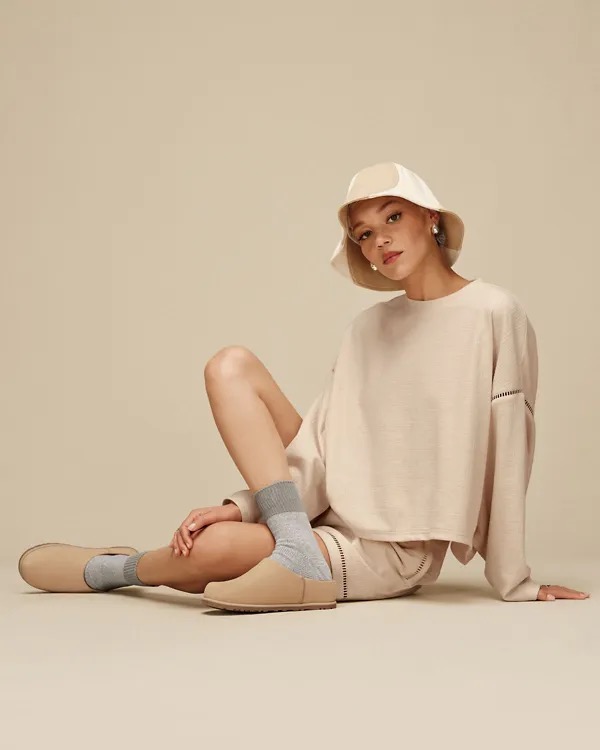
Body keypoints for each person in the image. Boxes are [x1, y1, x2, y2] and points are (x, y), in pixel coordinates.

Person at [18, 161, 590, 613]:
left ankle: (115, 569)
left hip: (394, 550)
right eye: (364, 233)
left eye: (393, 217)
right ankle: (292, 542)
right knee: (230, 365)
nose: (380, 241)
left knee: (212, 552)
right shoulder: (368, 328)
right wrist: (243, 508)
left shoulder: (493, 312)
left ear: (430, 219)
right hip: (325, 511)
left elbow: (510, 444)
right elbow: (323, 443)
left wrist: (514, 579)